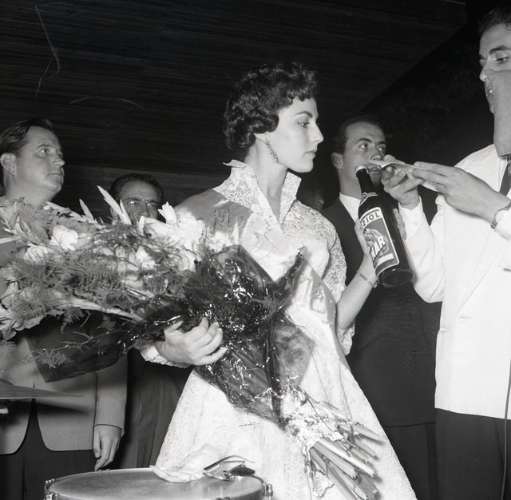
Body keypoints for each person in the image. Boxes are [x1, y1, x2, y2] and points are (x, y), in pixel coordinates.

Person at [146, 63, 416, 498]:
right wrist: (172, 348)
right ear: (261, 128)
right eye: (304, 122)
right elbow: (154, 325)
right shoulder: (197, 216)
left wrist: (370, 265)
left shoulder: (317, 228)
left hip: (324, 397)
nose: (319, 136)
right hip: (235, 410)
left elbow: (331, 330)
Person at [381, 6, 511, 499]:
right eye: (483, 62)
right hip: (462, 393)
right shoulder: (469, 167)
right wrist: (411, 207)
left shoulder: (474, 186)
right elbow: (433, 285)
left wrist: (494, 209)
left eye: (501, 58)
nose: (485, 76)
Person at [0, 118, 126, 500]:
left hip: (75, 420)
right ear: (9, 162)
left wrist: (110, 417)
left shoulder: (86, 236)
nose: (59, 160)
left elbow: (114, 327)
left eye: (60, 154)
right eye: (44, 151)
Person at [323, 116, 440, 500]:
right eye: (363, 145)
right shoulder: (322, 226)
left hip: (432, 381)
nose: (375, 153)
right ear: (338, 160)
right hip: (372, 387)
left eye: (381, 146)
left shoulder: (409, 210)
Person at [108, 173, 191, 468]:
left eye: (152, 205)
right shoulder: (92, 251)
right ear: (113, 207)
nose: (144, 212)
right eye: (133, 202)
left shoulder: (175, 256)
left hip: (163, 373)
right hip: (110, 374)